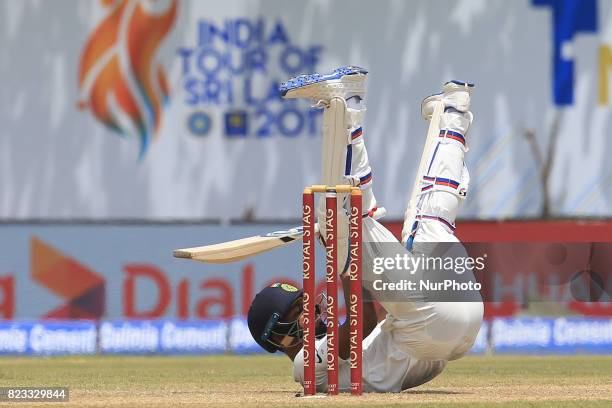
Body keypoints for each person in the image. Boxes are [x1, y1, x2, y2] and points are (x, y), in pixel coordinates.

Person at [247, 67, 483, 393]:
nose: (313, 310)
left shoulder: (341, 352)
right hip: (431, 327)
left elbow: (371, 316)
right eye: (298, 310)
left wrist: (348, 255)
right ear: (277, 334)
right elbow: (364, 321)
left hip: (452, 332)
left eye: (305, 302)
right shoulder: (304, 368)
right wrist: (340, 255)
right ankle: (347, 103)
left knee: (429, 219)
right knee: (347, 225)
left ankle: (455, 112)